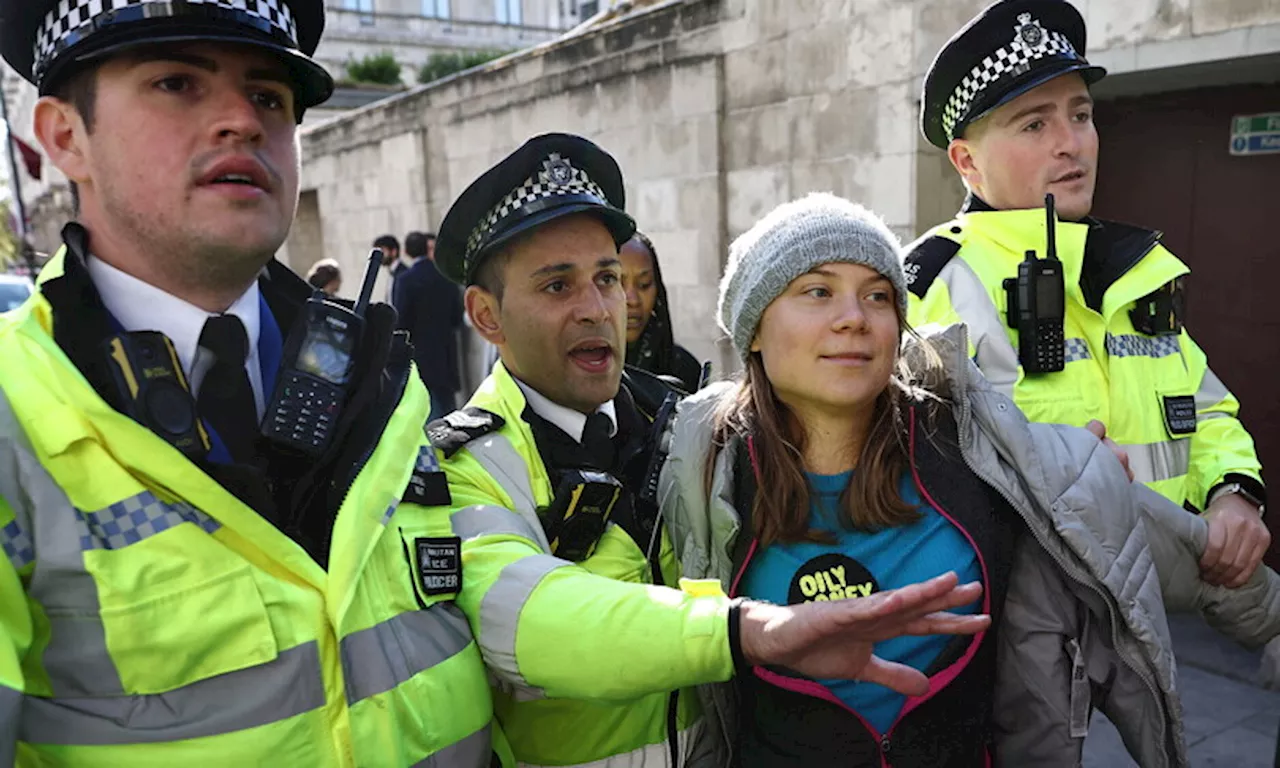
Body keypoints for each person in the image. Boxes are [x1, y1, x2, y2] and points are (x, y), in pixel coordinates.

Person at [0, 2, 500, 765]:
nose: (242, 119)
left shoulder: (379, 378)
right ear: (66, 136)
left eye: (269, 96)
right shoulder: (14, 412)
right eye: (177, 83)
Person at [425, 133, 990, 767]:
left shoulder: (686, 425)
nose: (597, 308)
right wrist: (746, 630)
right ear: (486, 315)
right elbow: (532, 616)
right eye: (557, 287)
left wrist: (1030, 440)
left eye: (607, 278)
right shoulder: (460, 466)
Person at [656, 193, 1280, 767]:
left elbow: (1160, 552)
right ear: (754, 329)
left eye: (878, 295)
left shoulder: (984, 453)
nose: (855, 318)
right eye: (817, 292)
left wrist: (1265, 610)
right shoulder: (701, 474)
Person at [905, 0, 1269, 590]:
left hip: (1152, 620)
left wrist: (1233, 492)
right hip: (1016, 631)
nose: (1071, 143)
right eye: (1034, 124)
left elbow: (1205, 409)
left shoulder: (1135, 273)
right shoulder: (931, 288)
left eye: (1081, 114)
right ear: (967, 162)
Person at [620, 232, 704, 392]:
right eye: (617, 282)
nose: (633, 300)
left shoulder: (683, 368)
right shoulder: (582, 367)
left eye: (644, 285)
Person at [394, 230, 464, 420]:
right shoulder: (446, 277)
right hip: (446, 355)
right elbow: (457, 317)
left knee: (430, 415)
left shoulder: (405, 280)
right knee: (450, 413)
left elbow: (401, 322)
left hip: (420, 357)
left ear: (407, 252)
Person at [374, 233, 402, 300]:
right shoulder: (391, 273)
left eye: (383, 251)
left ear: (394, 251)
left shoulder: (403, 274)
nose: (380, 256)